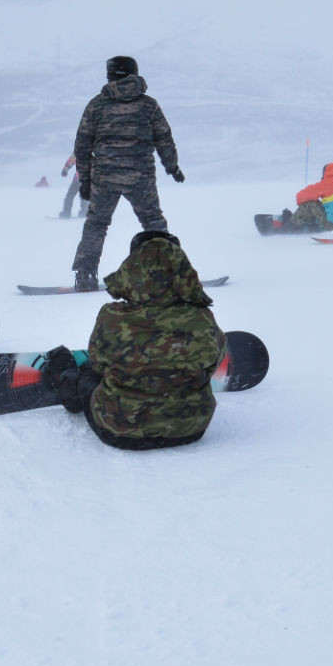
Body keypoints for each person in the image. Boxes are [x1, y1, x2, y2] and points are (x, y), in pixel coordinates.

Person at [45, 231, 224, 450]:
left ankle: (64, 378)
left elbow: (99, 365)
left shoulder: (112, 317)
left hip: (120, 430)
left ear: (133, 268)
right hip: (192, 429)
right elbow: (216, 360)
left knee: (88, 376)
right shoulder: (202, 317)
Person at [71, 56, 182, 291]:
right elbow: (164, 138)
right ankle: (167, 273)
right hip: (140, 176)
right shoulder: (149, 105)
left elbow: (82, 145)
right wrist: (172, 167)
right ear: (135, 73)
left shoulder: (96, 105)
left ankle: (85, 274)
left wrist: (85, 178)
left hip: (105, 177)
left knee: (96, 225)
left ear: (110, 75)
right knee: (153, 222)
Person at [258, 162, 333, 233]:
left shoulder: (325, 184)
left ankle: (293, 224)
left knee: (310, 204)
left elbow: (300, 198)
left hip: (332, 225)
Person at [58, 153, 87, 218]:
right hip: (83, 179)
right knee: (83, 197)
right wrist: (65, 170)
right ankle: (84, 212)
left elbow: (71, 160)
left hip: (80, 179)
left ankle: (67, 213)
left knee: (70, 196)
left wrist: (65, 169)